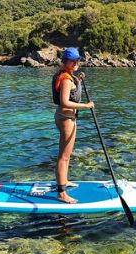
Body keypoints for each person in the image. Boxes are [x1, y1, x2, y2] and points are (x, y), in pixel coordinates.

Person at [52, 47, 95, 204]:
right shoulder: (65, 79)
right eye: (73, 60)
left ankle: (65, 180)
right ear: (65, 61)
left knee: (66, 155)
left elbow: (71, 90)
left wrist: (78, 78)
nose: (77, 62)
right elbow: (64, 102)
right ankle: (61, 193)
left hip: (67, 118)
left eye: (78, 59)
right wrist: (86, 105)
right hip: (65, 119)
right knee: (63, 157)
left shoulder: (67, 75)